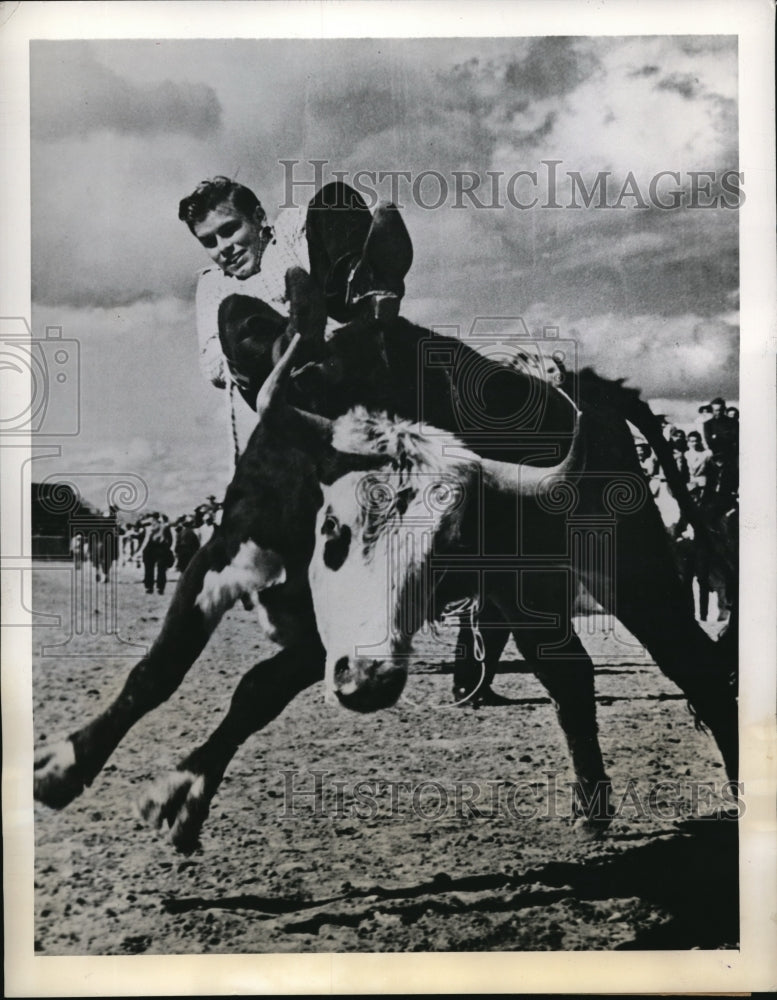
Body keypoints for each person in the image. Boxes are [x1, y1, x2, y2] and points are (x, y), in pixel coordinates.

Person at [178, 176, 414, 415]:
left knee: (334, 197)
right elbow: (212, 367)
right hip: (285, 379)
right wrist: (286, 332)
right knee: (233, 310)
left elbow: (326, 232)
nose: (222, 247)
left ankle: (368, 286)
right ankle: (294, 345)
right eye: (209, 242)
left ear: (259, 217)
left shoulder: (288, 233)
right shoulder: (213, 284)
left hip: (339, 345)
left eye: (229, 230)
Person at [139, 512, 174, 595]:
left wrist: (140, 551)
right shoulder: (165, 526)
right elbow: (170, 539)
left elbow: (146, 540)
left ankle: (149, 587)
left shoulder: (150, 527)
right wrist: (168, 547)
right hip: (160, 548)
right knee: (160, 569)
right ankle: (159, 588)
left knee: (149, 568)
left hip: (152, 548)